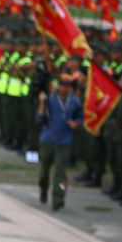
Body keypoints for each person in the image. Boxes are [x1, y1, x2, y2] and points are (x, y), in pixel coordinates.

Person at [37, 74, 83, 211]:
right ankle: (43, 189)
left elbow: (80, 116)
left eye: (67, 86)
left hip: (64, 141)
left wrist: (76, 123)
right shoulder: (50, 99)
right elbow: (39, 118)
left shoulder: (74, 102)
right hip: (48, 139)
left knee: (61, 173)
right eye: (62, 85)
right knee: (44, 172)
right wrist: (42, 102)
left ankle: (59, 197)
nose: (64, 88)